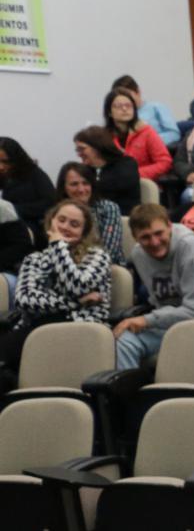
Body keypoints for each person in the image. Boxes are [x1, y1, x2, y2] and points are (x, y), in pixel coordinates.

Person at [0, 200, 111, 374]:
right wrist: (74, 302)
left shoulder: (97, 257)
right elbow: (24, 300)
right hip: (36, 327)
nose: (66, 227)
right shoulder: (34, 259)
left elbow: (78, 287)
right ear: (51, 221)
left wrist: (58, 246)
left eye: (74, 224)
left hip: (80, 329)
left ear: (84, 232)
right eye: (61, 220)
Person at [115, 203, 194, 370]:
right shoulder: (139, 254)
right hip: (168, 326)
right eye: (145, 237)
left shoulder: (192, 249)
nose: (154, 242)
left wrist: (147, 320)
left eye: (159, 233)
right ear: (134, 237)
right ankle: (125, 393)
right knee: (124, 340)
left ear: (169, 226)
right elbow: (159, 301)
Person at [54, 162, 124, 264]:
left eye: (86, 183)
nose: (81, 189)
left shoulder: (108, 208)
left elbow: (109, 251)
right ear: (63, 187)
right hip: (65, 266)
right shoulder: (57, 213)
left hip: (105, 268)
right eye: (74, 184)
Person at [104, 87, 172, 183]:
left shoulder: (146, 131)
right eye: (119, 106)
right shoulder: (104, 136)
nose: (124, 109)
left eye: (128, 105)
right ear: (109, 112)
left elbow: (165, 162)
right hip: (113, 185)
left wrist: (135, 173)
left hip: (143, 184)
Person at [73, 126, 141, 212]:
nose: (79, 154)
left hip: (123, 218)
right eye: (77, 150)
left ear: (97, 147)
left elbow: (107, 189)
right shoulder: (86, 169)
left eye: (82, 149)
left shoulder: (127, 164)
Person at [0, 138, 56, 231]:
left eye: (6, 162)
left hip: (35, 230)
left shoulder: (34, 174)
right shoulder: (5, 178)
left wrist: (12, 209)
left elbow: (49, 203)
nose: (1, 167)